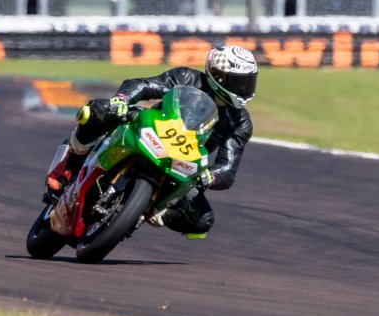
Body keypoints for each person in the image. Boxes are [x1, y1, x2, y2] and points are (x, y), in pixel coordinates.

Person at [44, 44, 257, 238]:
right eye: (239, 83)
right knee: (98, 110)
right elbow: (144, 85)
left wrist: (211, 176)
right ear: (218, 76)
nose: (245, 90)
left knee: (202, 220)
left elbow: (228, 167)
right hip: (151, 128)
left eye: (248, 82)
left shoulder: (240, 122)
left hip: (182, 164)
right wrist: (122, 99)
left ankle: (146, 211)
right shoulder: (187, 78)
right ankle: (70, 163)